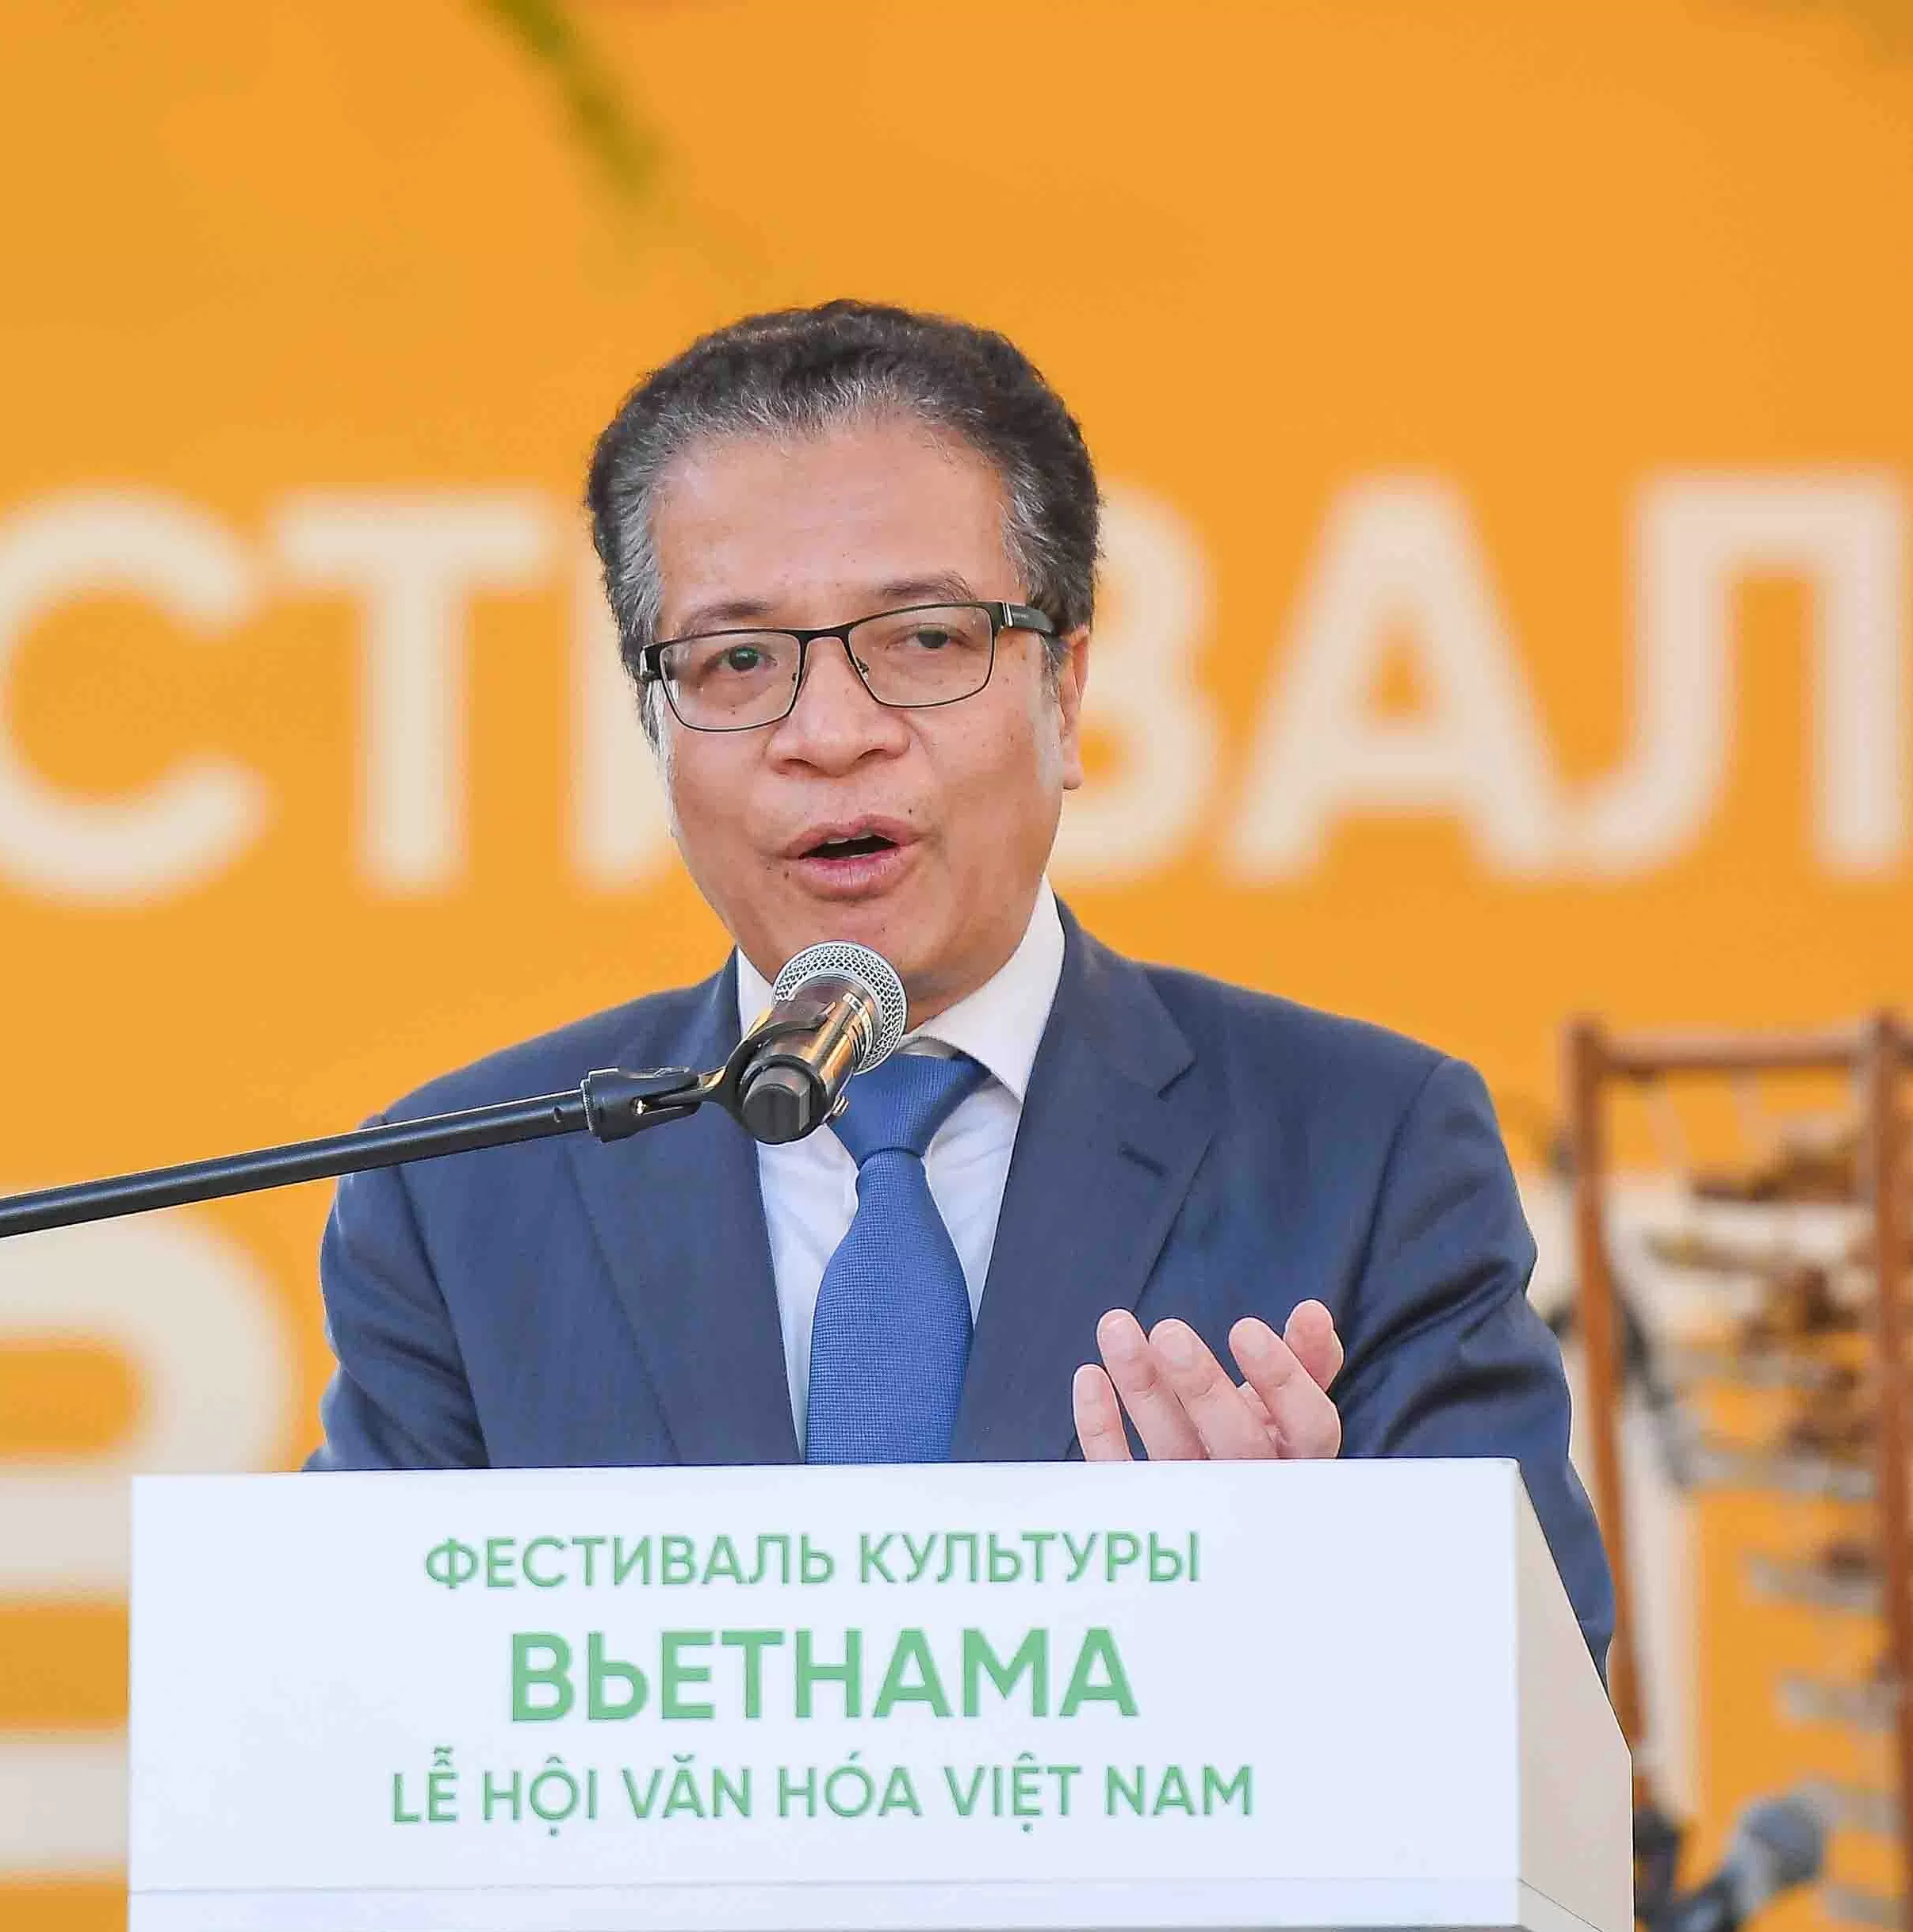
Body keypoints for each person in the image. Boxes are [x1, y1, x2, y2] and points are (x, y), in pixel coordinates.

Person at [308, 300, 1614, 1669]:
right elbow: (352, 1740)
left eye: (925, 639)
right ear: (654, 723)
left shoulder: (1368, 1153)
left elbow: (1546, 1732)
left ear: (1068, 689)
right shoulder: (461, 1193)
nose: (830, 734)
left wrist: (1307, 1612)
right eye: (737, 660)